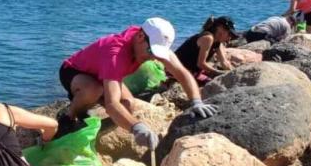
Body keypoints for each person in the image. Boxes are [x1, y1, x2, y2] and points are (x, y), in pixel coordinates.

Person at [59, 17, 218, 149]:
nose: (153, 57)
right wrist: (136, 127)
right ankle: (68, 117)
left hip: (102, 76)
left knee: (128, 103)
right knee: (94, 90)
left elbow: (182, 73)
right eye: (151, 52)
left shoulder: (152, 42)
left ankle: (95, 133)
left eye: (157, 53)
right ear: (140, 37)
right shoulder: (115, 54)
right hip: (75, 72)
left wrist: (196, 101)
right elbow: (112, 104)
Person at [174, 16, 238, 84]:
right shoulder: (208, 38)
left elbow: (224, 62)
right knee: (212, 83)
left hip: (191, 71)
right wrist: (218, 72)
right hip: (177, 70)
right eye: (229, 34)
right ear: (220, 28)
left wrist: (233, 73)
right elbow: (201, 64)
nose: (230, 38)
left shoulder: (217, 41)